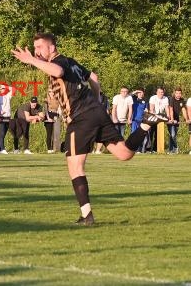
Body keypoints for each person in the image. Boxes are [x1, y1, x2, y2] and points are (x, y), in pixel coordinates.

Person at [12, 32, 167, 226]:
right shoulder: (71, 62)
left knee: (75, 166)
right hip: (96, 112)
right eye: (35, 49)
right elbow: (93, 77)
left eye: (39, 47)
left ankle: (87, 216)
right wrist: (96, 101)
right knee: (124, 153)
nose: (37, 52)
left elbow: (58, 71)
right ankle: (146, 123)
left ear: (51, 48)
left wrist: (31, 60)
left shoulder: (60, 62)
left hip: (81, 117)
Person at [148, 87, 169, 153]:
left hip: (160, 118)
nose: (161, 93)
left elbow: (167, 109)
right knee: (151, 133)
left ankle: (155, 149)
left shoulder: (165, 98)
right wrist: (156, 116)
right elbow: (151, 109)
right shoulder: (153, 98)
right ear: (156, 92)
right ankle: (148, 149)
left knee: (158, 134)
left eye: (162, 92)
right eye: (159, 92)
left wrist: (168, 117)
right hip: (153, 117)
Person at [167, 87, 187, 154]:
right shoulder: (171, 99)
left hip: (177, 120)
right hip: (170, 120)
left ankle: (170, 150)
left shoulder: (182, 100)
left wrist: (187, 119)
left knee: (173, 135)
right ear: (174, 93)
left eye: (179, 93)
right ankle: (176, 148)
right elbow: (171, 109)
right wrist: (172, 119)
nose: (178, 94)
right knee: (172, 135)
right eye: (177, 93)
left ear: (181, 94)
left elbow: (184, 110)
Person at [0, 83, 13, 154]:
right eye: (1, 88)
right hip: (1, 117)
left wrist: (5, 86)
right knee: (1, 133)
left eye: (3, 88)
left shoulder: (8, 96)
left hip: (8, 117)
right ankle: (2, 149)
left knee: (3, 134)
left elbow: (14, 89)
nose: (2, 89)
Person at [131, 89, 149, 153]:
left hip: (142, 121)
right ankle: (134, 149)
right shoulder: (133, 99)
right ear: (137, 94)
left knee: (141, 136)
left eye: (142, 93)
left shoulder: (145, 101)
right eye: (139, 93)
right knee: (134, 135)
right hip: (134, 120)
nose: (141, 94)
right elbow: (130, 95)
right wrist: (136, 91)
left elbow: (146, 111)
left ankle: (141, 149)